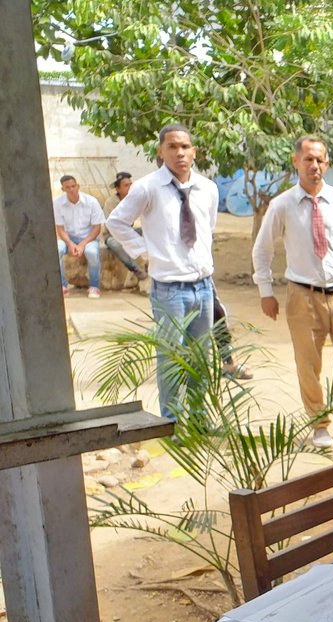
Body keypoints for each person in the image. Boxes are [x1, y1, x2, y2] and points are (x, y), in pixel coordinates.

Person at [252, 136, 333, 450]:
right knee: (309, 365)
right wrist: (266, 290)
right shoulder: (282, 205)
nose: (314, 166)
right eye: (308, 159)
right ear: (295, 162)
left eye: (320, 160)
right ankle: (319, 425)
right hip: (302, 297)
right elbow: (262, 251)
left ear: (327, 164)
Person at [108, 124, 219, 419]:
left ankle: (198, 418)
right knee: (170, 357)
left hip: (203, 287)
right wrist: (143, 252)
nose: (179, 152)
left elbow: (208, 230)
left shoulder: (208, 188)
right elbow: (116, 222)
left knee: (200, 357)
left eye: (185, 146)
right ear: (160, 151)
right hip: (169, 289)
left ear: (194, 152)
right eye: (172, 146)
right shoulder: (147, 188)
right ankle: (171, 420)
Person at [54, 174, 105, 298]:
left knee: (92, 252)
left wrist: (82, 244)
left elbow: (97, 228)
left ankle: (94, 286)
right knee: (56, 250)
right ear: (63, 189)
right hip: (68, 238)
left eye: (73, 186)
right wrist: (70, 244)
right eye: (68, 187)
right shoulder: (58, 203)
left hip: (88, 238)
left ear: (78, 186)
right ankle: (62, 285)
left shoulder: (91, 201)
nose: (71, 190)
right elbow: (59, 229)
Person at [101, 172, 147, 281]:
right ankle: (135, 269)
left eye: (131, 185)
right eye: (126, 185)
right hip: (112, 235)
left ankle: (151, 263)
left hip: (128, 232)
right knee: (115, 244)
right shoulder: (110, 203)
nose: (130, 188)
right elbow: (110, 226)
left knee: (149, 231)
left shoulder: (134, 199)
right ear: (118, 189)